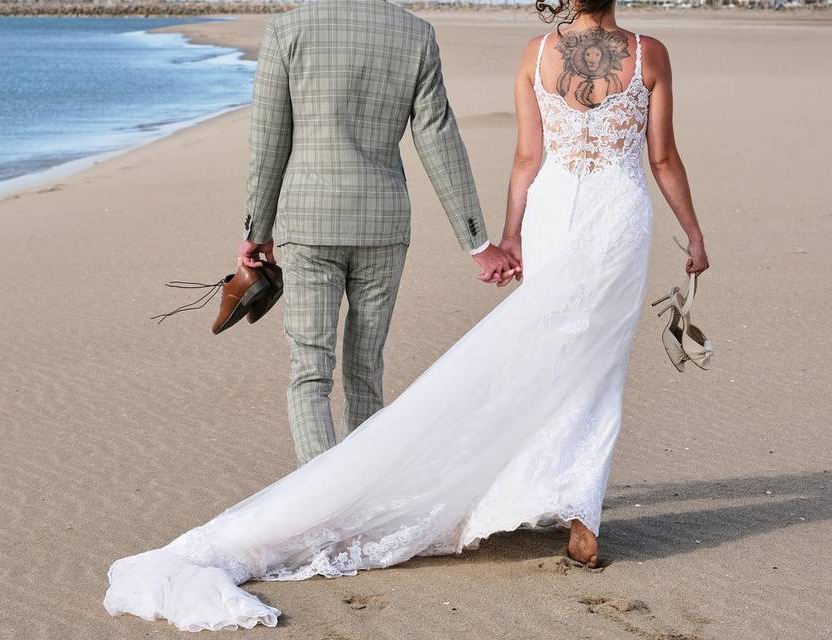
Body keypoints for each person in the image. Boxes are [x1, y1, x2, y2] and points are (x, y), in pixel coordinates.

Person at [103, 0, 709, 631]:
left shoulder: (529, 54)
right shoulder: (637, 52)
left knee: (326, 371)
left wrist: (509, 236)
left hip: (422, 219)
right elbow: (650, 158)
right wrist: (687, 235)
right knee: (569, 367)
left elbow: (523, 158)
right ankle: (563, 509)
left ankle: (333, 494)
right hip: (561, 222)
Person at [236, 0, 519, 466]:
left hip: (310, 223)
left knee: (310, 374)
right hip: (384, 226)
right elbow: (438, 138)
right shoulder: (416, 34)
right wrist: (477, 242)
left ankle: (323, 507)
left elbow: (268, 141)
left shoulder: (287, 29)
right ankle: (359, 500)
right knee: (366, 370)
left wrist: (256, 229)